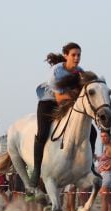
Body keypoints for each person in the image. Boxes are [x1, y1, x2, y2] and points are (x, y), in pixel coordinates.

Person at [30, 42, 97, 187]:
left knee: (92, 132)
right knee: (42, 134)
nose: (77, 58)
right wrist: (77, 98)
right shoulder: (56, 71)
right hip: (48, 102)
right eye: (73, 55)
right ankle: (36, 170)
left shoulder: (80, 72)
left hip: (69, 102)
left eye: (79, 55)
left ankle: (91, 166)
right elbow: (59, 99)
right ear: (66, 56)